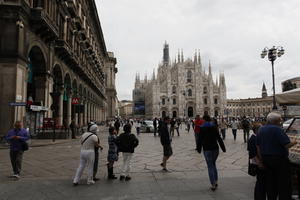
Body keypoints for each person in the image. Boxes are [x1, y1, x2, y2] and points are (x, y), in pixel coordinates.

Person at [256, 112, 297, 200]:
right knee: (284, 182)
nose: (281, 121)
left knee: (271, 182)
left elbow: (258, 146)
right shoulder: (277, 129)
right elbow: (287, 145)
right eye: (280, 119)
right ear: (276, 121)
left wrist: (261, 160)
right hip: (279, 160)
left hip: (266, 159)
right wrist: (294, 141)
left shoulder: (261, 129)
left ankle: (272, 197)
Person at [198, 115, 226, 191]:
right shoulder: (214, 126)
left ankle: (213, 184)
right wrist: (223, 148)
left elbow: (199, 139)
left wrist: (199, 149)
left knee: (210, 166)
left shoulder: (202, 127)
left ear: (204, 120)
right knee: (213, 164)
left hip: (207, 149)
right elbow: (219, 138)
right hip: (215, 149)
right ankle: (216, 181)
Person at [247, 123, 266, 200]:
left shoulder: (256, 138)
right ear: (257, 130)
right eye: (261, 129)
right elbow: (252, 154)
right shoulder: (253, 139)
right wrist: (259, 163)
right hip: (257, 164)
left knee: (261, 182)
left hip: (258, 163)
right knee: (260, 182)